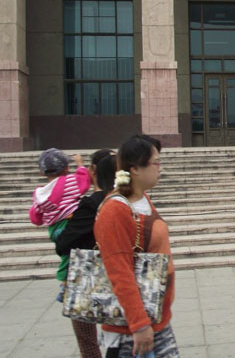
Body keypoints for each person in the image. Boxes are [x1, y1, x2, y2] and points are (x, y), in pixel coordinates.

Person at [94, 135, 178, 358]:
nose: (160, 167)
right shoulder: (115, 210)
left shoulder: (141, 199)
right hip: (131, 331)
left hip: (156, 317)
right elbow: (119, 271)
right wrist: (139, 325)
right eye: (156, 162)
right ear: (135, 169)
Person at [55, 149, 116, 358]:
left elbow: (63, 243)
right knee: (119, 339)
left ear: (93, 170)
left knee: (88, 342)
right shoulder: (125, 201)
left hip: (87, 276)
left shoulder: (91, 205)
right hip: (120, 275)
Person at [29, 148, 91, 297]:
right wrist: (81, 165)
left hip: (54, 229)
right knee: (70, 256)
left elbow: (35, 217)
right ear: (67, 168)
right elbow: (84, 183)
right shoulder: (70, 181)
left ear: (41, 172)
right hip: (68, 224)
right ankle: (64, 283)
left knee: (66, 254)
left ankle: (67, 283)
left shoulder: (40, 193)